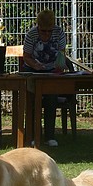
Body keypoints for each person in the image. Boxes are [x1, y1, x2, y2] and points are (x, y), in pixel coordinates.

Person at [23, 9, 69, 147]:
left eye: (50, 31)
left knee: (51, 98)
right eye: (44, 31)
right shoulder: (31, 34)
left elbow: (61, 52)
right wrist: (36, 65)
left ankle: (49, 136)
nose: (47, 34)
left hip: (52, 71)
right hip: (33, 71)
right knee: (31, 100)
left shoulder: (59, 32)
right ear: (38, 27)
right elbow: (26, 56)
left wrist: (59, 66)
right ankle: (31, 135)